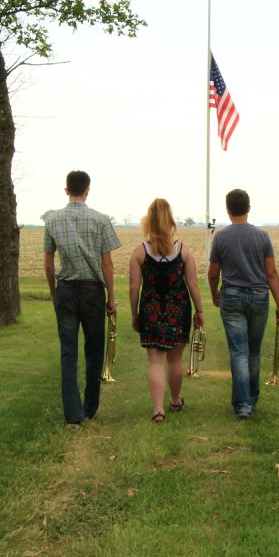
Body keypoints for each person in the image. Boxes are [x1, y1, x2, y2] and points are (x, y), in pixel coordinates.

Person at [44, 170, 121, 429]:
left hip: (65, 288)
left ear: (66, 190)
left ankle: (73, 415)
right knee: (94, 349)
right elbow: (107, 263)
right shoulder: (100, 220)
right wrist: (111, 297)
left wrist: (54, 292)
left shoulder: (52, 220)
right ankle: (90, 407)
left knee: (68, 352)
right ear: (87, 190)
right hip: (92, 291)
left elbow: (47, 263)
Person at [208, 189, 279, 420]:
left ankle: (243, 405)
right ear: (248, 208)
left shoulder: (221, 237)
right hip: (259, 296)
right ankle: (252, 398)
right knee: (253, 351)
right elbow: (271, 273)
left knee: (239, 352)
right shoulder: (262, 236)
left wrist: (214, 294)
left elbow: (213, 273)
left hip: (231, 297)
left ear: (228, 210)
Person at [128, 199, 204, 423]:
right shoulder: (184, 250)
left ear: (148, 221)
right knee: (174, 361)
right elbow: (193, 284)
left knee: (156, 362)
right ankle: (175, 400)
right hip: (178, 309)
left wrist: (135, 314)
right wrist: (199, 311)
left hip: (151, 310)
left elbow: (134, 287)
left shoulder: (139, 252)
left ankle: (158, 410)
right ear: (170, 220)